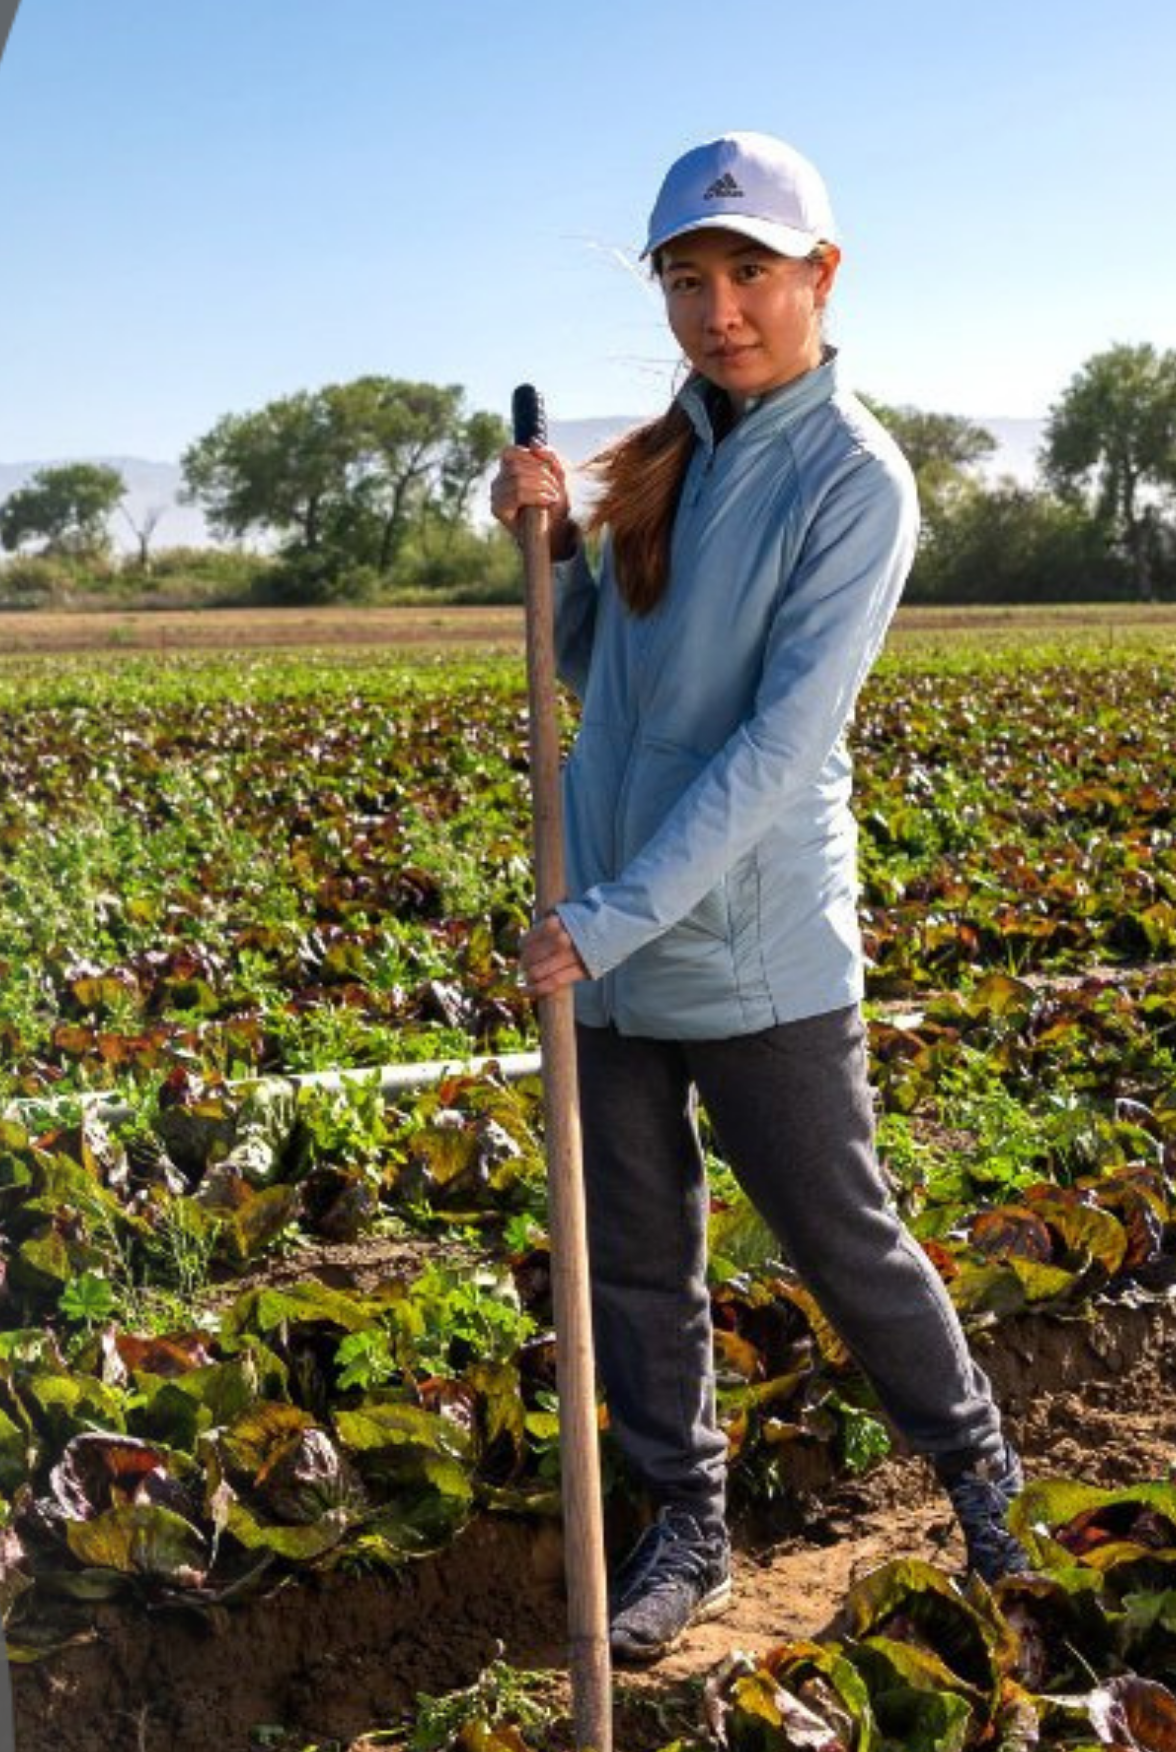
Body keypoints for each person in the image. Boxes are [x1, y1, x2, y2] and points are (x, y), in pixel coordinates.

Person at [490, 132, 1022, 1662]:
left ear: (819, 277)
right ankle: (690, 1530)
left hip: (753, 946)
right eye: (688, 279)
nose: (719, 310)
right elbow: (606, 669)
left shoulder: (855, 481)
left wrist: (607, 916)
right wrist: (557, 549)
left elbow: (780, 750)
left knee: (839, 1234)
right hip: (613, 937)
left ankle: (982, 1479)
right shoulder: (677, 450)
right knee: (641, 1259)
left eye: (748, 274)